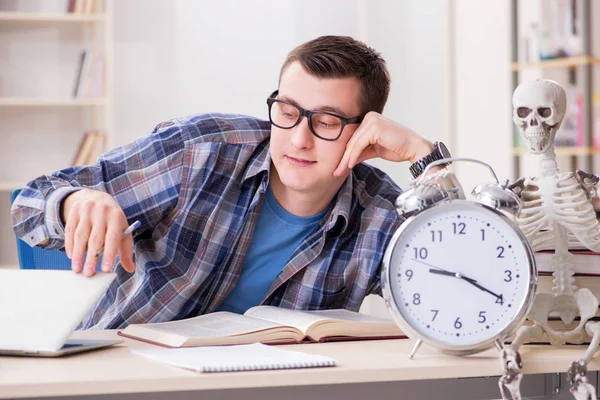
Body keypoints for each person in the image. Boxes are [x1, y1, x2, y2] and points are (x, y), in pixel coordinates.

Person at [11, 35, 446, 329]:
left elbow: (457, 302)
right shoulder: (201, 151)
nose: (299, 139)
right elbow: (28, 205)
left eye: (327, 122)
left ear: (363, 131)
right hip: (130, 380)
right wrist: (74, 203)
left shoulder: (381, 215)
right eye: (288, 112)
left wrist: (425, 159)